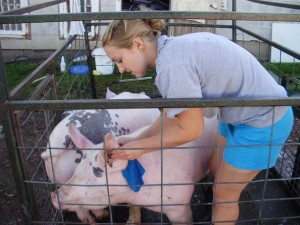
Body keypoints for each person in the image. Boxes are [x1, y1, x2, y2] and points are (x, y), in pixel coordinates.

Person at [101, 19, 293, 224]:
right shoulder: (171, 51)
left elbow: (191, 129)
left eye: (119, 59)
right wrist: (135, 140)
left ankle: (220, 209)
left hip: (264, 121)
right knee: (214, 166)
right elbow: (169, 114)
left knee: (224, 194)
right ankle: (216, 210)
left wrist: (140, 148)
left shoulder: (173, 65)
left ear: (138, 44)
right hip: (239, 115)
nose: (120, 69)